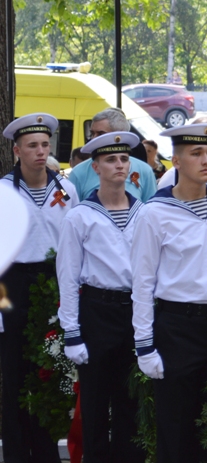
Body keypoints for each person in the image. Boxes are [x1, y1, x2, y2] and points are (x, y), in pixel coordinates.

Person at [131, 122, 207, 462]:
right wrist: (144, 345)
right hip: (177, 328)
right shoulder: (154, 213)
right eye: (196, 153)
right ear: (177, 161)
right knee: (175, 430)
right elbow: (142, 282)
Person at [57, 131, 145, 463]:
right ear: (95, 167)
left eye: (124, 158)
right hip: (97, 312)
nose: (119, 165)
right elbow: (67, 275)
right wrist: (72, 331)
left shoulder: (144, 212)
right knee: (94, 404)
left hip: (134, 313)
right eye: (111, 159)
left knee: (131, 403)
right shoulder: (80, 216)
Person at [0, 113, 78, 463]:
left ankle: (47, 451)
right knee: (14, 375)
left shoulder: (66, 189)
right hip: (13, 286)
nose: (40, 152)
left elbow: (75, 244)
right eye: (32, 146)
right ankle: (17, 453)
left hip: (53, 283)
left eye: (45, 145)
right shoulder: (4, 191)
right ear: (17, 151)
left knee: (51, 372)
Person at [70, 108, 157, 202]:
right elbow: (72, 211)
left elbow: (151, 211)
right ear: (95, 167)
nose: (93, 139)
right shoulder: (78, 172)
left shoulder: (144, 170)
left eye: (100, 133)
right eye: (92, 133)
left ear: (119, 135)